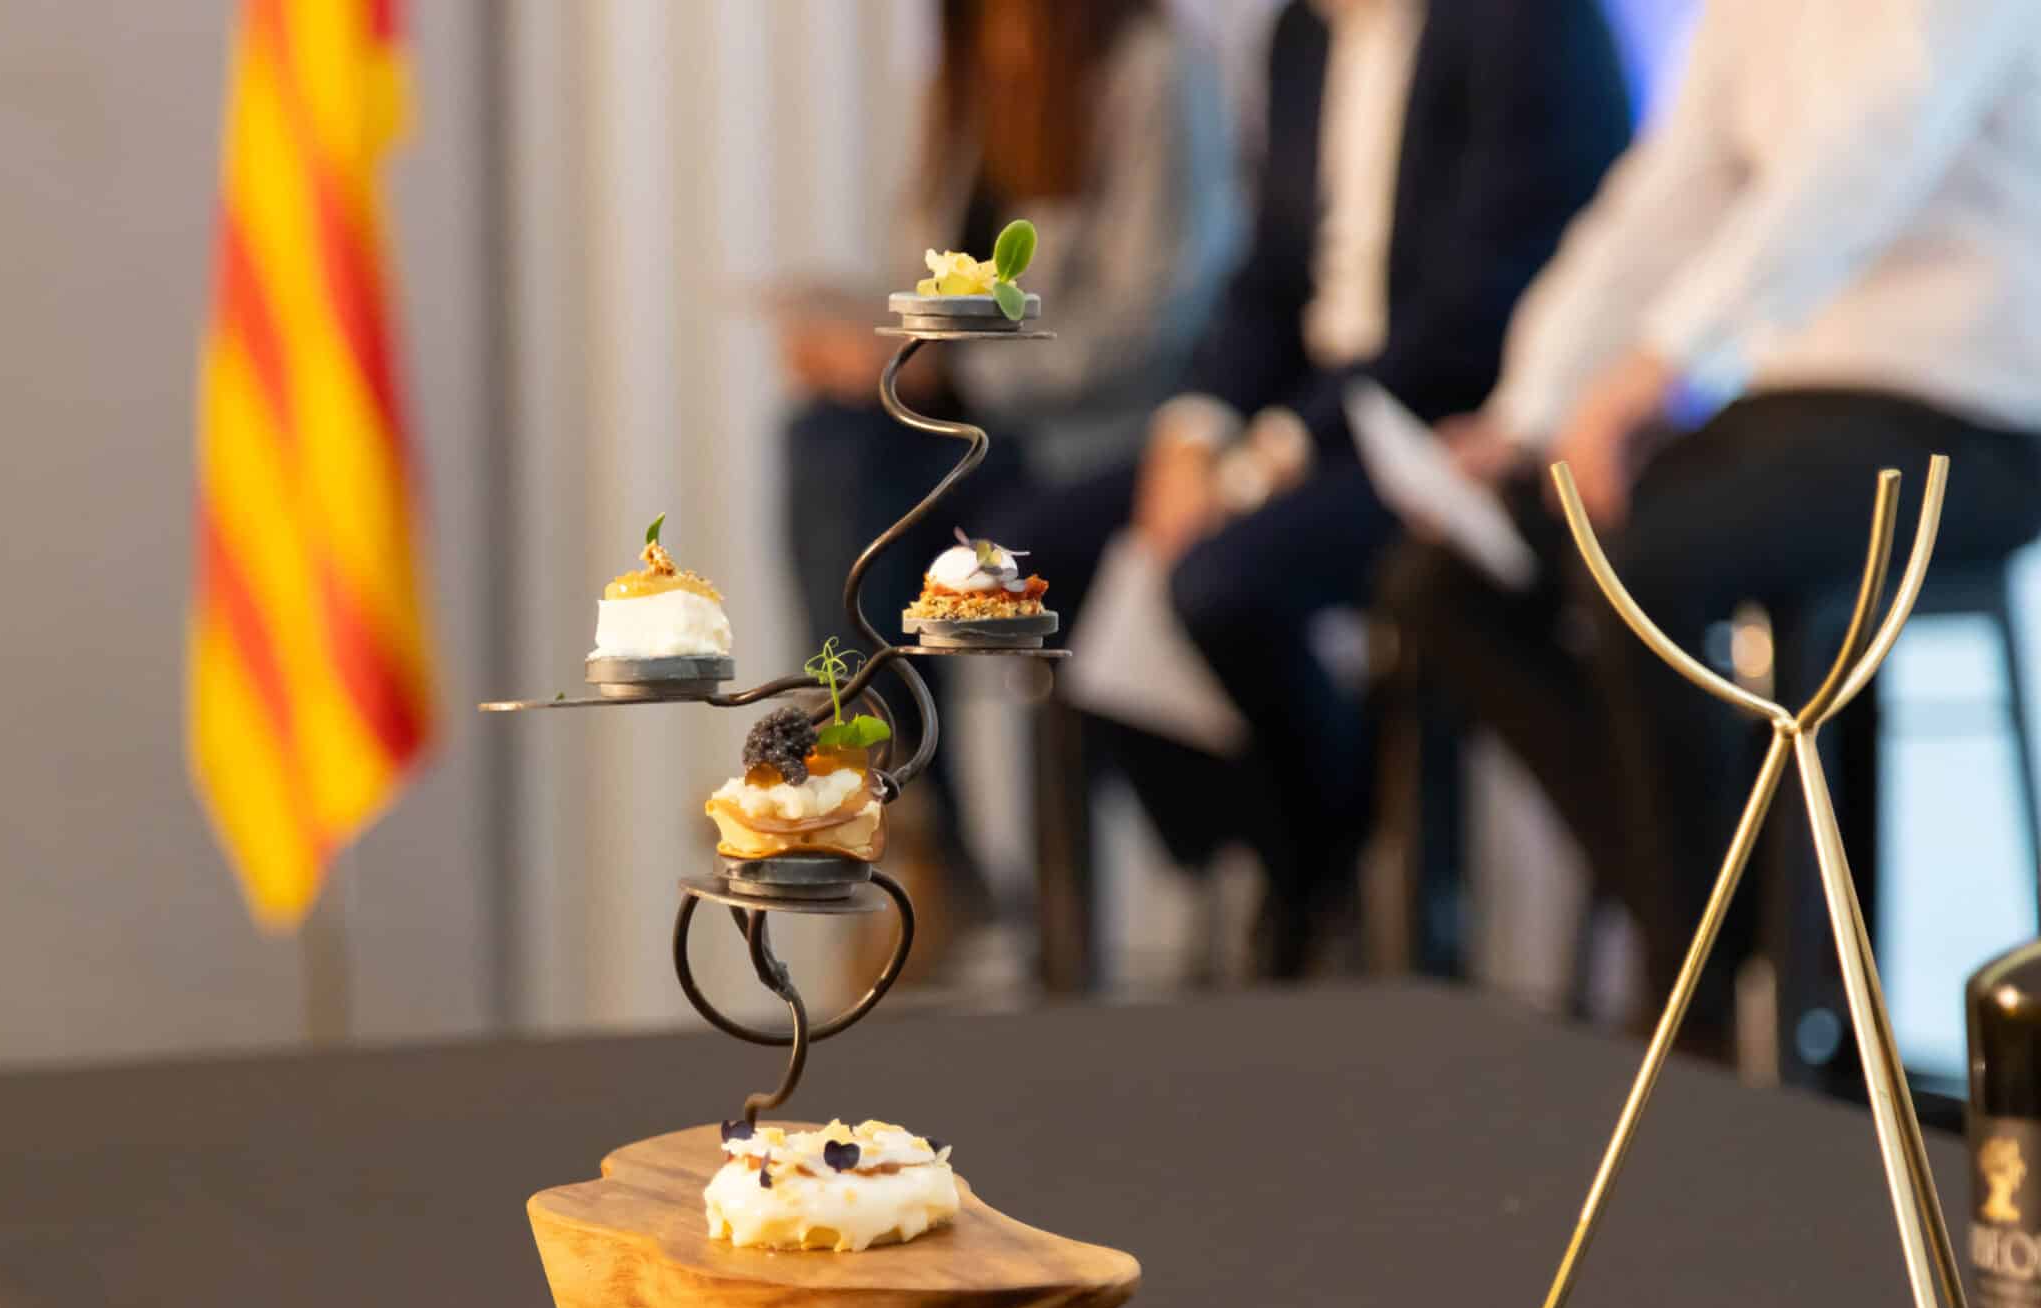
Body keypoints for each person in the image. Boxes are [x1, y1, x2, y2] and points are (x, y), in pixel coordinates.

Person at [1383, 0, 2041, 1035]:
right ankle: (1723, 919)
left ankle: (1691, 1002)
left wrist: (1659, 364)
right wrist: (1529, 410)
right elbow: (1658, 204)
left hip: (1968, 407)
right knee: (1452, 576)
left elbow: (1869, 152)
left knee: (1649, 560)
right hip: (1787, 402)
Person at [985, 0, 1633, 970]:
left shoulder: (1523, 23)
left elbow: (1481, 300)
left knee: (1223, 584)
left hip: (1448, 429)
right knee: (1023, 562)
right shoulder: (1302, 32)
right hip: (1312, 410)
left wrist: (1275, 452)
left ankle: (1317, 868)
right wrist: (1196, 428)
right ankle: (1269, 838)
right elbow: (1270, 275)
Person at [779, 0, 1240, 920]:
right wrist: (860, 330)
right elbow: (941, 288)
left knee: (864, 483)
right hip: (974, 436)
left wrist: (953, 369)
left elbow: (1149, 324)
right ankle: (901, 807)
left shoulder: (1152, 72)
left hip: (1097, 440)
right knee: (824, 437)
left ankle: (889, 802)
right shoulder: (966, 74)